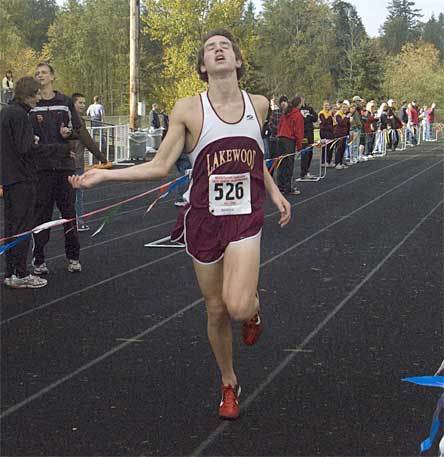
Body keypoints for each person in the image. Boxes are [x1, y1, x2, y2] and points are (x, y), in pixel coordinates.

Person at [69, 29, 291, 420]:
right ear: (203, 66)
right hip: (203, 219)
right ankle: (228, 382)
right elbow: (159, 166)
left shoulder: (259, 105)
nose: (218, 50)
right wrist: (105, 176)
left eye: (226, 47)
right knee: (216, 308)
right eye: (210, 48)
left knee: (237, 306)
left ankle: (252, 310)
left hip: (244, 216)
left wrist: (273, 192)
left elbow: (254, 157)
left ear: (238, 61)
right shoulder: (188, 110)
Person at [1, 77, 72, 288]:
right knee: (23, 226)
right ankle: (21, 274)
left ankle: (11, 272)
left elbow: (17, 145)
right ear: (29, 94)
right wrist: (59, 149)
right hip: (23, 177)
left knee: (12, 226)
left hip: (10, 177)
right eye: (37, 95)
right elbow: (26, 150)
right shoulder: (20, 115)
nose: (39, 99)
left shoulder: (6, 112)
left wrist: (31, 140)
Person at [30, 62, 85, 274]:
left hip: (64, 167)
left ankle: (73, 257)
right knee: (41, 216)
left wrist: (68, 134)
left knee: (68, 212)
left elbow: (77, 130)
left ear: (53, 76)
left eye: (44, 72)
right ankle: (39, 260)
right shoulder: (31, 103)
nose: (40, 76)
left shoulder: (65, 102)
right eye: (37, 73)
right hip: (41, 169)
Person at [71, 92, 108, 230]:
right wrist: (101, 158)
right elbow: (87, 141)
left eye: (84, 103)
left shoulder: (67, 118)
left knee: (68, 194)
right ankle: (78, 221)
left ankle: (68, 219)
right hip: (75, 162)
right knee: (78, 194)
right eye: (80, 103)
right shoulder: (77, 120)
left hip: (68, 162)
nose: (83, 105)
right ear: (72, 103)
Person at [276, 95, 304, 194]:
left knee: (281, 164)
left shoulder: (286, 112)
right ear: (299, 103)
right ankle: (288, 188)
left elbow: (279, 126)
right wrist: (299, 146)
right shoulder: (297, 115)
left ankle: (281, 186)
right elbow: (298, 132)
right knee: (289, 165)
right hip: (288, 140)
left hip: (280, 139)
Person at [298, 97, 318, 179]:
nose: (302, 102)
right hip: (303, 134)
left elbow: (315, 118)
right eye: (300, 100)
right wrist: (308, 118)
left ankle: (307, 170)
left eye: (303, 100)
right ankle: (303, 172)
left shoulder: (309, 108)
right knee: (304, 153)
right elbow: (301, 120)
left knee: (310, 152)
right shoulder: (298, 110)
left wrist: (308, 117)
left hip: (310, 133)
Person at [318, 100, 335, 167]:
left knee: (330, 147)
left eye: (328, 105)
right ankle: (323, 161)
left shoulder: (330, 114)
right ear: (323, 106)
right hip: (324, 132)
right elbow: (324, 122)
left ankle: (329, 161)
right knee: (325, 147)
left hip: (330, 132)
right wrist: (329, 116)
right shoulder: (321, 113)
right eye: (325, 105)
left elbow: (332, 123)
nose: (327, 107)